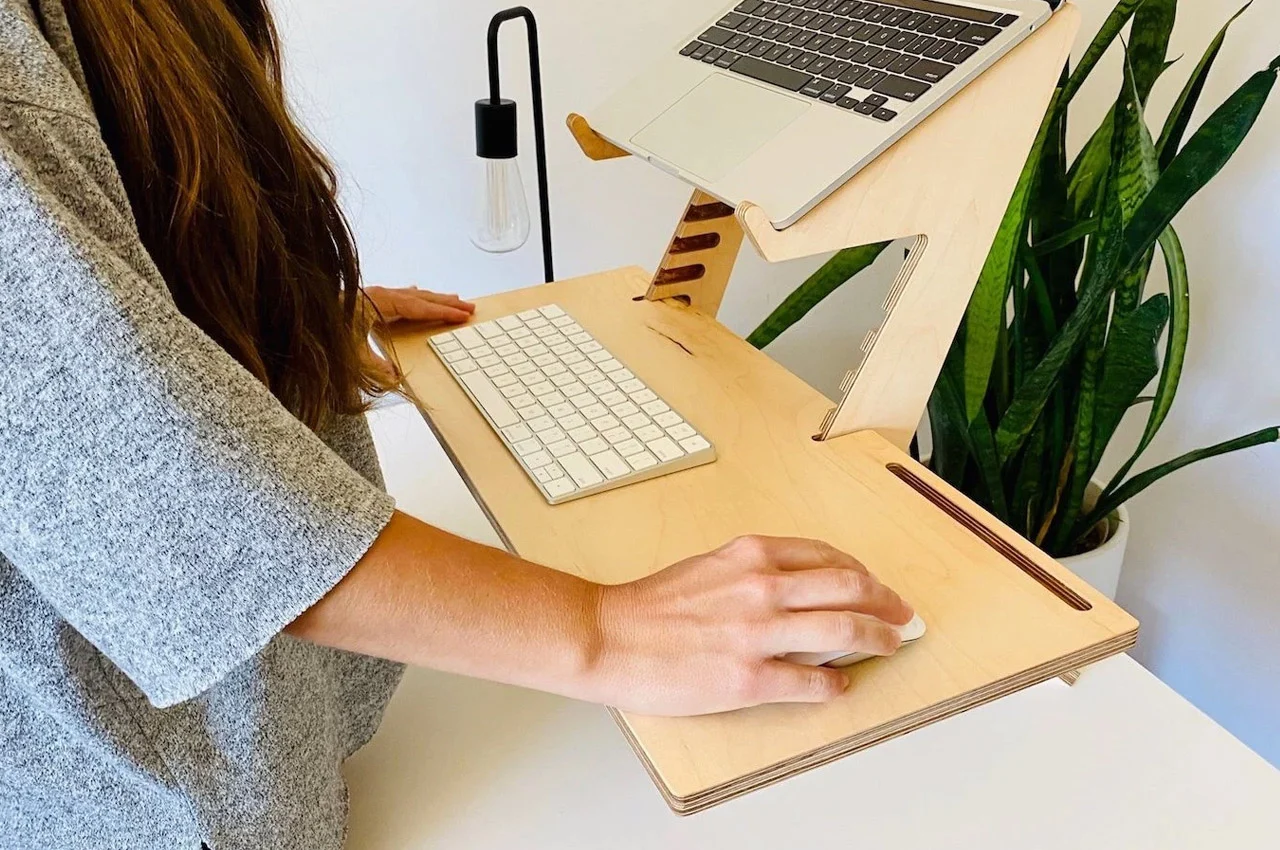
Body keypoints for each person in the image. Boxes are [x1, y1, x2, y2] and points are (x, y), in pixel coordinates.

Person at [0, 2, 915, 848]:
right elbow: (163, 494)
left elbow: (85, 297)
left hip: (283, 748)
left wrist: (296, 312)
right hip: (152, 803)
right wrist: (607, 630)